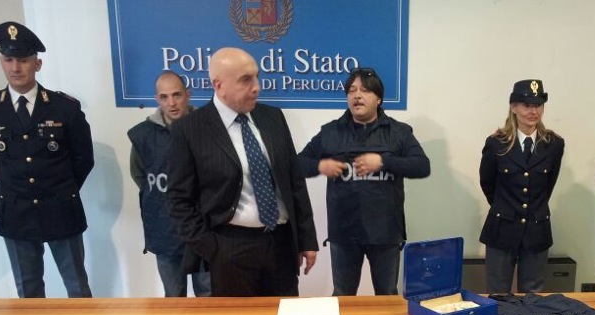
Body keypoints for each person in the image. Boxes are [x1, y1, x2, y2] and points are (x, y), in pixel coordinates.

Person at [167, 47, 318, 297]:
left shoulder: (273, 117)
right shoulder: (190, 129)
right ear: (219, 86)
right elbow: (178, 200)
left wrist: (306, 239)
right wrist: (213, 249)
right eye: (246, 80)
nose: (257, 87)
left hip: (280, 245)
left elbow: (294, 181)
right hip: (230, 249)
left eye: (257, 77)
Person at [298, 67, 430, 296]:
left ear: (378, 98)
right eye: (352, 90)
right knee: (342, 294)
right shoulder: (331, 132)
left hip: (385, 233)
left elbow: (422, 166)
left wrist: (384, 161)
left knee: (387, 295)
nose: (357, 95)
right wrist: (320, 166)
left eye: (365, 90)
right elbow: (297, 164)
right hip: (344, 233)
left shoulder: (398, 132)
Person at [0, 21, 93, 298]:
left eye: (23, 60)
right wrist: (16, 187)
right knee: (29, 293)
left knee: (77, 289)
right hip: (17, 213)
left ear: (38, 64)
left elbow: (84, 159)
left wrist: (60, 190)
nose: (15, 67)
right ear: (1, 62)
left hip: (61, 208)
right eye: (9, 60)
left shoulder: (64, 107)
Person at [127, 71, 210, 297]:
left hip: (203, 227)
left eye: (177, 95)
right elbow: (139, 175)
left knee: (209, 297)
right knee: (173, 299)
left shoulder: (209, 128)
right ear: (157, 99)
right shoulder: (144, 135)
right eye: (164, 97)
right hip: (164, 229)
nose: (171, 103)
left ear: (188, 95)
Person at [478, 79, 564, 293]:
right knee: (498, 293)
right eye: (527, 105)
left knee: (533, 295)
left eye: (538, 105)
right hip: (502, 228)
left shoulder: (554, 144)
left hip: (536, 228)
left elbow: (548, 186)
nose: (533, 111)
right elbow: (488, 184)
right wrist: (506, 207)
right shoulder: (496, 143)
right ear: (513, 107)